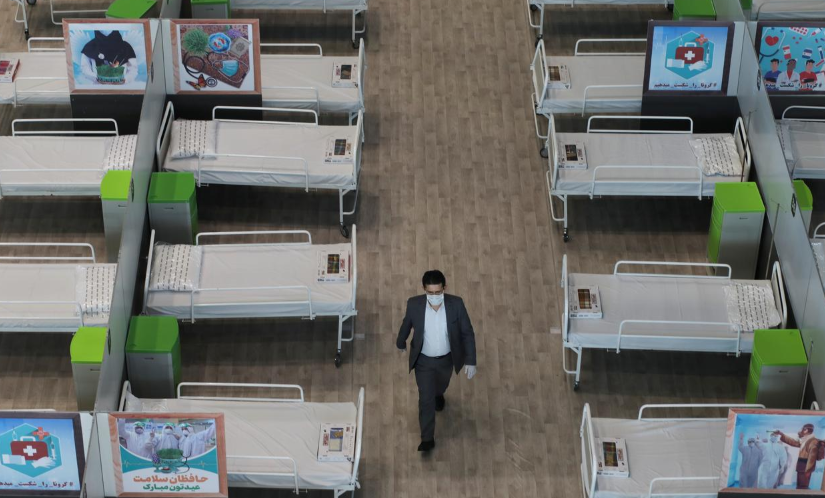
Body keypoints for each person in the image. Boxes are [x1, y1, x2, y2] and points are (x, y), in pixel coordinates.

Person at [396, 270, 477, 452]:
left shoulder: (456, 304)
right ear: (424, 289)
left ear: (444, 289)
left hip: (447, 360)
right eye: (430, 293)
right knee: (425, 399)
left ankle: (439, 394)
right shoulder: (414, 304)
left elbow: (467, 333)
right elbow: (406, 325)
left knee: (441, 386)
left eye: (438, 292)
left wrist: (471, 360)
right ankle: (427, 439)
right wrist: (400, 343)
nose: (434, 296)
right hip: (423, 362)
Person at [774, 423, 825, 489]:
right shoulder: (806, 440)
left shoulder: (813, 441)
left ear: (806, 430)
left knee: (803, 487)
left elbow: (812, 457)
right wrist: (782, 434)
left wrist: (808, 471)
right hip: (802, 467)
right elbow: (794, 442)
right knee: (800, 486)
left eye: (802, 429)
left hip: (805, 467)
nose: (800, 430)